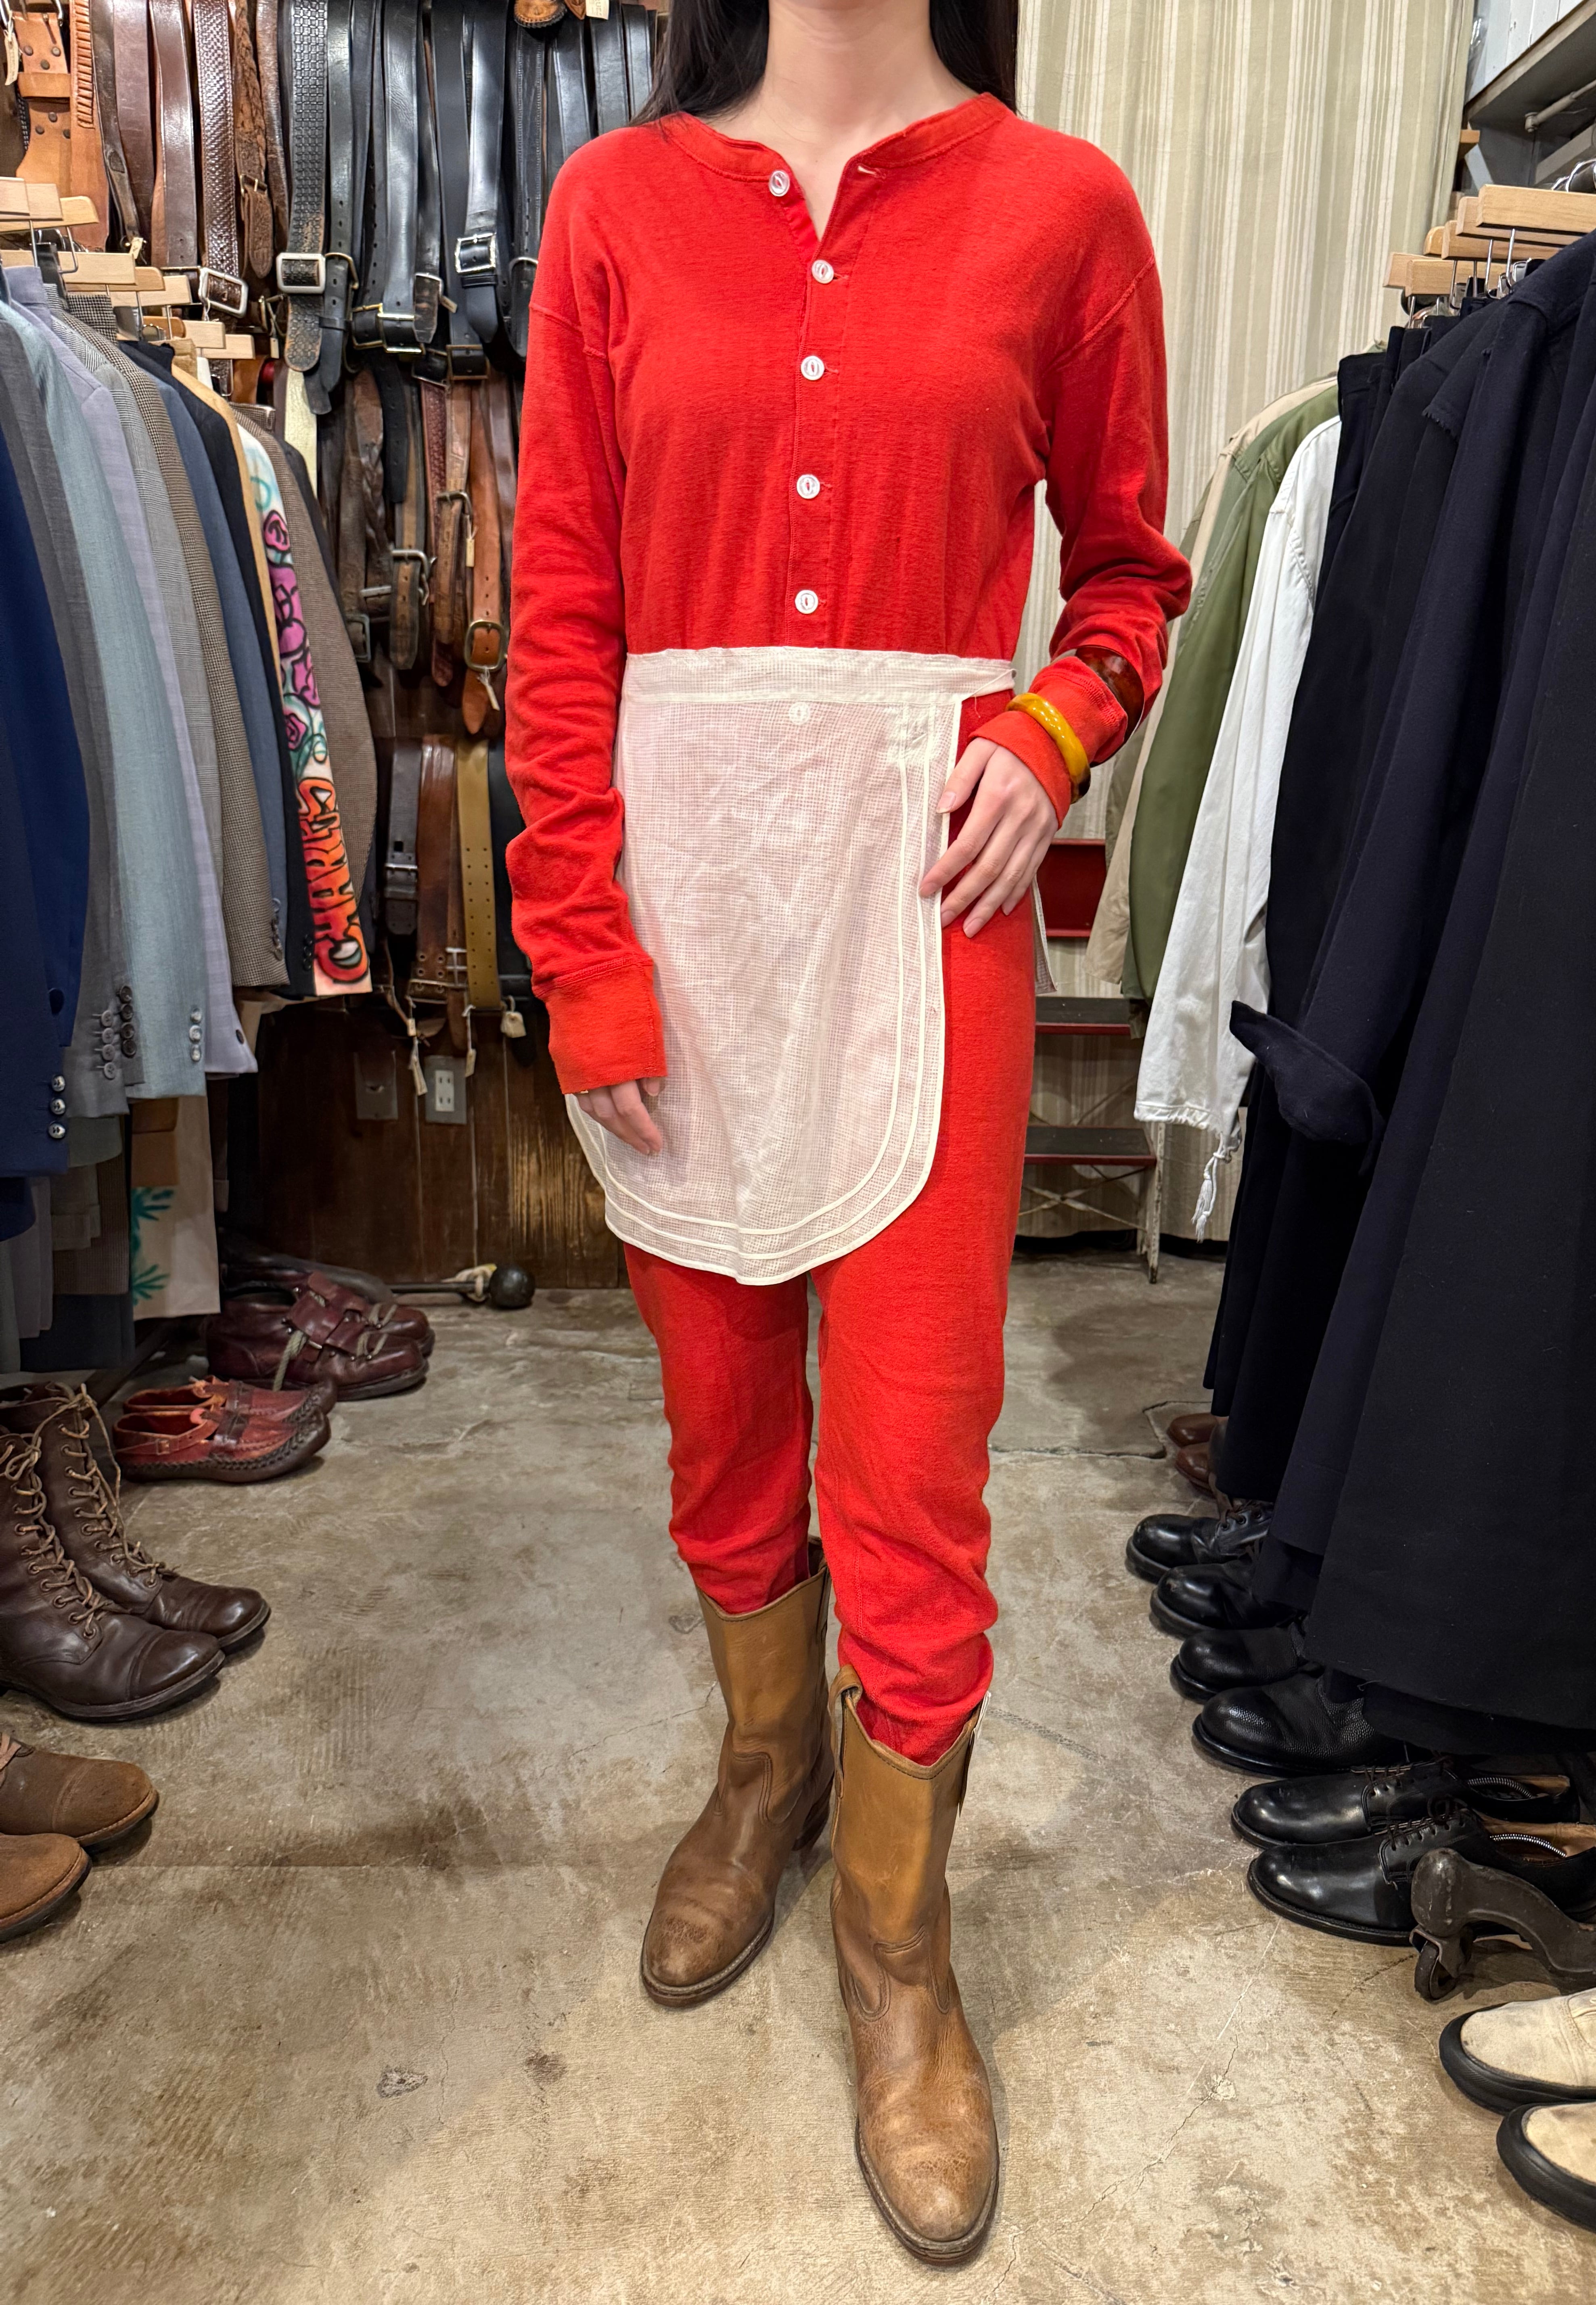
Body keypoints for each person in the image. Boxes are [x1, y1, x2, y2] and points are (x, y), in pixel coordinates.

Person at [506, 0, 1188, 2263]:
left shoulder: (1062, 209)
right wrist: (582, 945)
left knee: (915, 1454)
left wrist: (1054, 726)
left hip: (921, 915)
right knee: (723, 1425)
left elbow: (1129, 574)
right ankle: (767, 1769)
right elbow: (561, 607)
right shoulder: (613, 207)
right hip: (684, 915)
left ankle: (900, 1948)